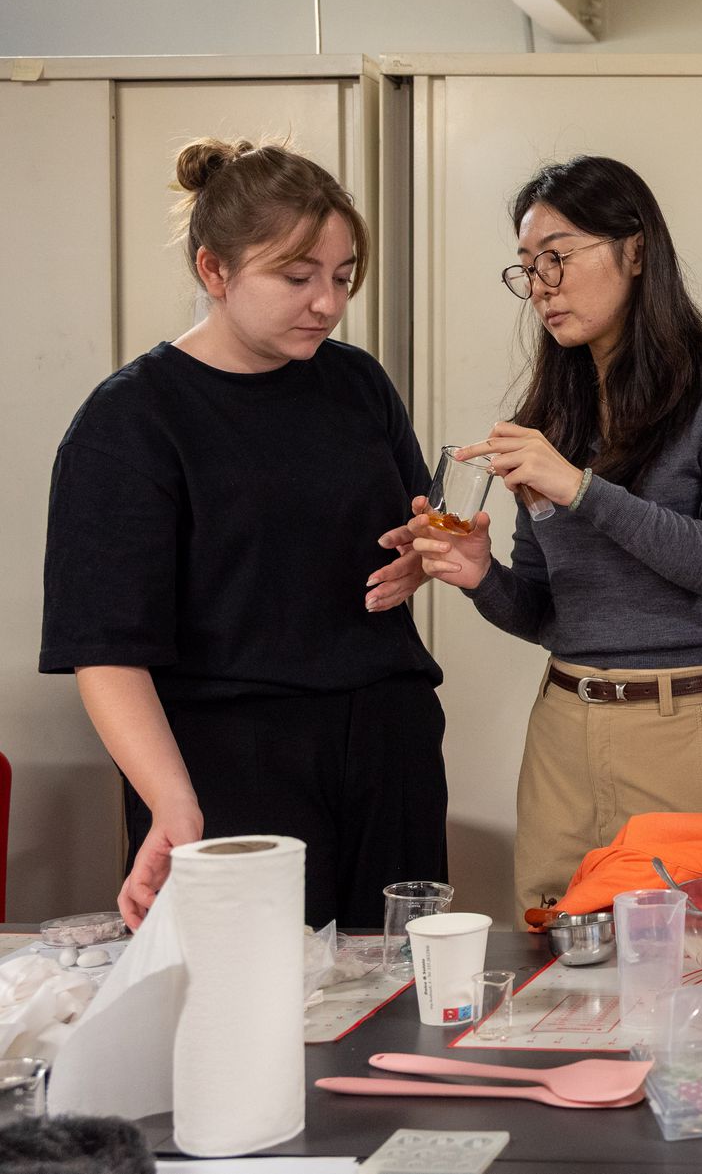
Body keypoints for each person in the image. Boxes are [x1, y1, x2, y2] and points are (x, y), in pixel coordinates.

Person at [40, 139, 446, 930]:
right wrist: (172, 801)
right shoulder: (131, 422)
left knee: (400, 982)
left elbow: (408, 522)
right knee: (254, 992)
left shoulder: (357, 382)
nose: (326, 303)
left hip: (387, 741)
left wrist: (423, 555)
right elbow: (106, 651)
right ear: (215, 271)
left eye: (342, 276)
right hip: (229, 759)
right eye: (296, 278)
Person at [412, 155, 702, 918]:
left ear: (635, 250)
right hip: (565, 726)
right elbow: (549, 611)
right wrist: (482, 577)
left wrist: (582, 490)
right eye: (527, 267)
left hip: (685, 723)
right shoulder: (552, 409)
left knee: (696, 956)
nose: (541, 285)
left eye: (557, 256)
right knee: (551, 941)